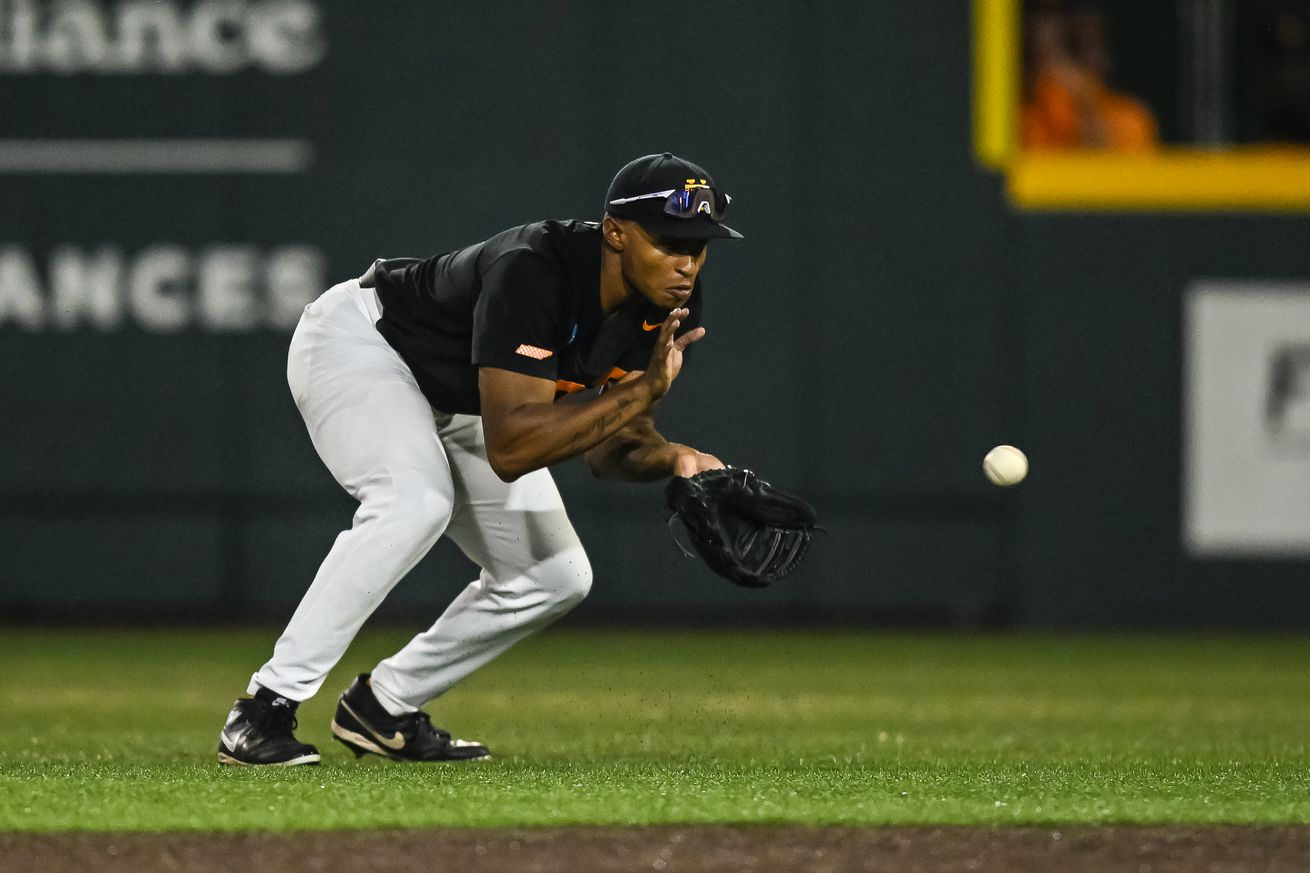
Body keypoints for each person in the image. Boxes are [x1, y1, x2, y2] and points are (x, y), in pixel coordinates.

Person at [217, 153, 739, 766]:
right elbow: (513, 448)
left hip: (465, 398)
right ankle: (263, 709)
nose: (687, 263)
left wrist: (676, 459)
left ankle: (383, 706)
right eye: (670, 241)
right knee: (414, 502)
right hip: (365, 346)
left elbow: (608, 445)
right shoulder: (535, 270)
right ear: (616, 233)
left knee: (555, 575)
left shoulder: (670, 304)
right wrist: (642, 391)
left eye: (699, 246)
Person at [1020, 1, 1158, 151]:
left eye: (1074, 45)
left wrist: (1086, 109)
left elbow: (1114, 170)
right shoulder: (1024, 117)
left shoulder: (1129, 120)